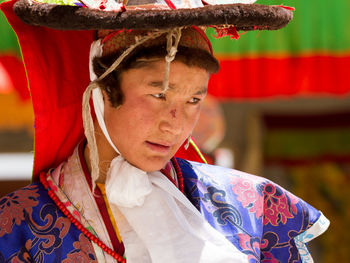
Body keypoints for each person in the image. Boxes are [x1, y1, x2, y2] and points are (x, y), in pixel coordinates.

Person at [0, 0, 329, 262]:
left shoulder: (252, 205)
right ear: (101, 92)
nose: (175, 123)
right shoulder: (17, 226)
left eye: (194, 99)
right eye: (159, 94)